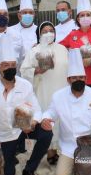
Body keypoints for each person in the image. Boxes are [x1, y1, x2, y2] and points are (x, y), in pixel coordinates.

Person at [0, 34, 53, 175]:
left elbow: (37, 110)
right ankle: (10, 158)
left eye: (12, 65)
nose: (10, 68)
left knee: (46, 133)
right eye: (5, 65)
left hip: (21, 132)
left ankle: (30, 168)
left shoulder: (25, 85)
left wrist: (33, 123)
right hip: (0, 136)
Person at [41, 49, 91, 175]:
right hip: (70, 145)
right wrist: (45, 119)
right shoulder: (59, 96)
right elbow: (50, 112)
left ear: (85, 79)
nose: (78, 80)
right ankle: (76, 162)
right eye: (74, 78)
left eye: (81, 78)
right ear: (68, 80)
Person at [20, 21, 68, 165]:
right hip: (43, 90)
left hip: (62, 89)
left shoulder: (62, 49)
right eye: (44, 31)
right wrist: (37, 70)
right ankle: (49, 151)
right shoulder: (34, 50)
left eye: (51, 30)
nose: (48, 33)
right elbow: (23, 70)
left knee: (61, 119)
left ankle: (61, 150)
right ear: (39, 34)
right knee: (47, 118)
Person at [8, 0, 37, 64]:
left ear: (34, 15)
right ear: (19, 15)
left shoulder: (40, 31)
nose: (28, 14)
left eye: (30, 12)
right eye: (24, 12)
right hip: (16, 72)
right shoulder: (10, 31)